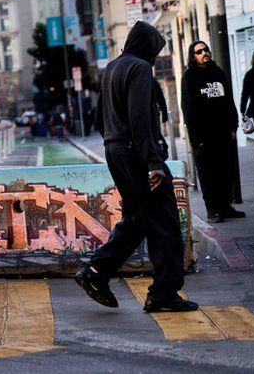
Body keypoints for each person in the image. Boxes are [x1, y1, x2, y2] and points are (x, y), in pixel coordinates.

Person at [74, 21, 197, 313]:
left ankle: (96, 272)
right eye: (154, 50)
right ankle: (163, 294)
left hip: (115, 149)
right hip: (138, 153)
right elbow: (140, 118)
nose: (154, 57)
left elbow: (99, 120)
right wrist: (153, 162)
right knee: (164, 223)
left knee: (138, 217)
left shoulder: (112, 68)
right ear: (147, 48)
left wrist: (116, 146)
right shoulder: (140, 68)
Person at [181, 40, 245, 223]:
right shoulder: (189, 76)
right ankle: (213, 210)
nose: (204, 53)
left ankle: (226, 206)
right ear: (193, 56)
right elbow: (188, 107)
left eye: (206, 49)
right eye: (199, 51)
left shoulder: (218, 72)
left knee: (225, 172)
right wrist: (196, 137)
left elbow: (228, 101)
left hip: (224, 133)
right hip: (203, 136)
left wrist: (233, 127)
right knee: (208, 176)